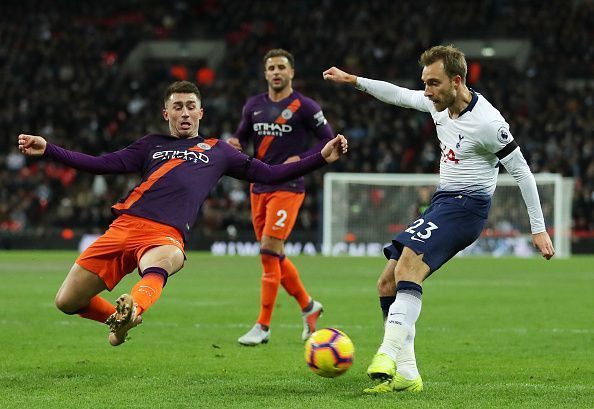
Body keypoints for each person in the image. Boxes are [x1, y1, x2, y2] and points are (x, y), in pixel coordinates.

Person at [17, 80, 348, 347]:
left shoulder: (220, 151)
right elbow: (102, 164)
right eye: (178, 106)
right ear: (167, 113)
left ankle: (134, 307)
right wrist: (49, 149)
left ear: (201, 112)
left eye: (191, 106)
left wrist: (320, 156)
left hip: (165, 234)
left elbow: (271, 174)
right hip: (123, 226)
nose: (185, 112)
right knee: (67, 301)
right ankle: (119, 320)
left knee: (162, 263)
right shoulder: (150, 145)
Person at [323, 45, 555, 394]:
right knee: (387, 283)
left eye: (433, 84)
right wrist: (352, 80)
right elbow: (399, 95)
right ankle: (408, 374)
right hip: (442, 203)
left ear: (457, 81)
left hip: (467, 209)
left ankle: (386, 353)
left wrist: (538, 229)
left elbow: (522, 173)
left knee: (407, 270)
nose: (427, 92)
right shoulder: (438, 105)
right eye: (425, 83)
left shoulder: (489, 124)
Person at [228, 49, 334, 346]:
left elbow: (328, 139)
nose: (276, 72)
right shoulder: (253, 106)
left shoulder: (305, 106)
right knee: (273, 254)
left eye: (281, 67)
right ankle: (309, 307)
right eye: (271, 67)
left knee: (268, 251)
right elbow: (242, 137)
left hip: (288, 185)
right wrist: (235, 144)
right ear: (265, 74)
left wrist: (302, 157)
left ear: (291, 73)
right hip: (258, 184)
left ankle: (262, 326)